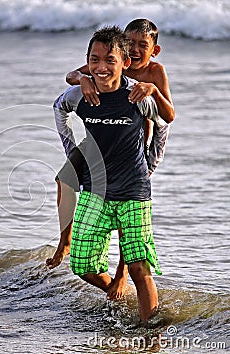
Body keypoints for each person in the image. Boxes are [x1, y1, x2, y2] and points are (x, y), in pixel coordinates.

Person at [52, 25, 173, 323]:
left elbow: (164, 122)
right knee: (82, 264)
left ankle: (151, 332)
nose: (102, 67)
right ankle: (117, 294)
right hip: (96, 186)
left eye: (110, 61)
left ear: (124, 63)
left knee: (138, 266)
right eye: (95, 61)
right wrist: (71, 149)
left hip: (133, 183)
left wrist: (151, 163)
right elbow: (59, 108)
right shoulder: (81, 92)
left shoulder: (140, 90)